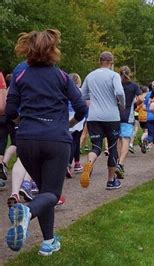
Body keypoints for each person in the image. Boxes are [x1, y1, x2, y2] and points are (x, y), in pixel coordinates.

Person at [5, 29, 88, 255]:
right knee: (51, 193)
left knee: (44, 191)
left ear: (28, 49)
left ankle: (49, 242)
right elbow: (81, 108)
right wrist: (70, 123)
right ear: (53, 50)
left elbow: (10, 110)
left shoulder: (20, 75)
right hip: (56, 139)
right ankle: (28, 212)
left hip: (27, 139)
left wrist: (25, 121)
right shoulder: (61, 76)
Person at [80, 51, 125, 190]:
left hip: (94, 116)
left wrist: (91, 103)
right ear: (111, 62)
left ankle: (90, 162)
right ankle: (111, 181)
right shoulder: (114, 75)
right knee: (112, 148)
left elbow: (83, 94)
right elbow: (119, 92)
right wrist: (122, 105)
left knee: (97, 146)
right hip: (111, 116)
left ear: (100, 61)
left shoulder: (90, 75)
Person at [116, 66, 142, 179]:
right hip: (128, 115)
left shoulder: (116, 84)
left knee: (118, 140)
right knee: (125, 140)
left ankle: (117, 161)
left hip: (115, 115)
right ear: (129, 73)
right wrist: (134, 103)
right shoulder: (134, 86)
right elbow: (141, 98)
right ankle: (120, 164)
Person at [67, 73, 86, 177]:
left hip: (66, 116)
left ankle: (71, 163)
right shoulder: (80, 91)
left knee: (67, 141)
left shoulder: (64, 91)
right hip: (77, 116)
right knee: (75, 141)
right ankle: (69, 164)